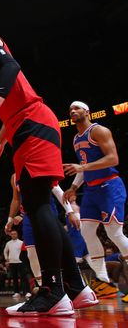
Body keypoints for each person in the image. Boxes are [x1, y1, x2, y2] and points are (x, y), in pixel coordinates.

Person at [0, 0, 96, 316]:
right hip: (25, 124)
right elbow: (11, 107)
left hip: (33, 122)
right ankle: (76, 289)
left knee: (36, 203)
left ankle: (53, 291)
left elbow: (11, 67)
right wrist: (0, 142)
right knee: (39, 202)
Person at [63, 100, 127, 299]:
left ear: (87, 111)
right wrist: (74, 187)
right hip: (91, 190)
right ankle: (104, 281)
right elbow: (83, 166)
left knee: (114, 233)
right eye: (71, 110)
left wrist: (82, 168)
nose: (73, 111)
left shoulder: (99, 131)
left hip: (109, 185)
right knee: (86, 230)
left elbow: (113, 159)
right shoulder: (75, 138)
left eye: (77, 108)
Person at [4, 230, 28, 297]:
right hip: (12, 262)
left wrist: (24, 260)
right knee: (14, 278)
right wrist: (6, 259)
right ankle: (16, 292)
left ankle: (27, 292)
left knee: (24, 277)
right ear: (10, 235)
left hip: (20, 262)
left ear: (17, 235)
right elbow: (5, 251)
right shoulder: (8, 243)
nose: (13, 235)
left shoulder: (21, 242)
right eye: (12, 234)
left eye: (15, 234)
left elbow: (25, 252)